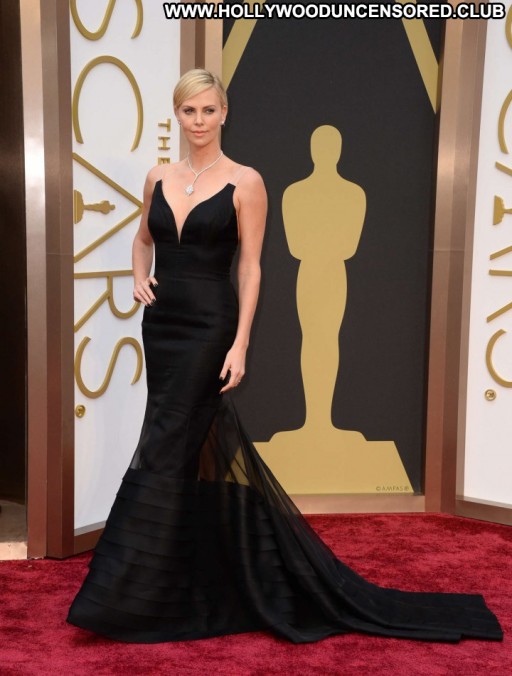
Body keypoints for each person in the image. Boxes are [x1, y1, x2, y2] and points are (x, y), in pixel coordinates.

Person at [67, 69, 503, 644]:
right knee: (177, 440)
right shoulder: (158, 177)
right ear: (177, 115)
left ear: (225, 113)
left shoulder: (246, 181)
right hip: (163, 327)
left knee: (164, 441)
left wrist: (241, 341)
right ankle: (182, 574)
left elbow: (251, 267)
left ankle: (128, 590)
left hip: (210, 327)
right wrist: (137, 277)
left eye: (208, 110)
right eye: (189, 111)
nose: (199, 121)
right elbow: (144, 238)